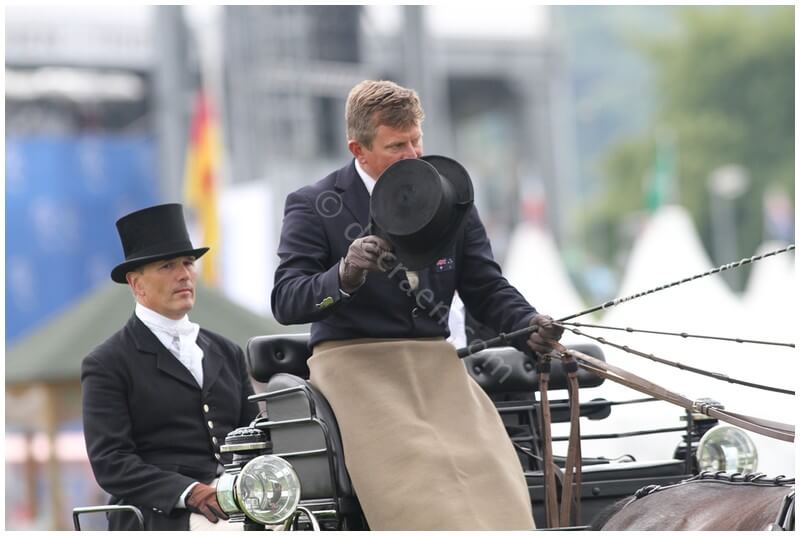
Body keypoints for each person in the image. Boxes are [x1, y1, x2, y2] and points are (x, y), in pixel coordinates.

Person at [271, 80, 563, 530]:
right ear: (358, 149)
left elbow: (485, 287)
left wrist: (529, 325)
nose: (412, 155)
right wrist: (344, 274)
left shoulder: (450, 198)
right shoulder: (313, 205)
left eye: (416, 141)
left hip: (436, 365)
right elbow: (287, 300)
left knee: (496, 478)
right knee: (422, 485)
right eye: (396, 146)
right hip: (354, 367)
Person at [81, 203, 258, 531]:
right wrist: (191, 493)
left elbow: (253, 436)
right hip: (159, 514)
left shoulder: (228, 351)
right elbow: (111, 463)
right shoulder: (107, 363)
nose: (184, 274)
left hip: (237, 501)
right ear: (136, 284)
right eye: (167, 266)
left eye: (188, 263)